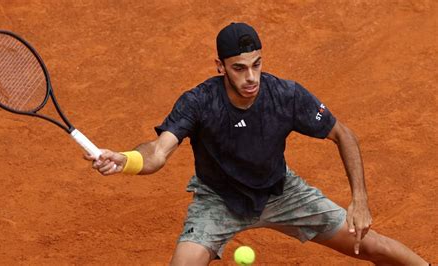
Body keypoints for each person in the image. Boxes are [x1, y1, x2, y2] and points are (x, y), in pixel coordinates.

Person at [85, 22, 429, 265]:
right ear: (220, 67)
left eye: (256, 64)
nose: (251, 77)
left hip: (282, 193)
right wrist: (126, 160)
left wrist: (360, 199)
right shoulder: (199, 102)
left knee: (373, 247)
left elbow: (344, 134)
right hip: (217, 201)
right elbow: (158, 152)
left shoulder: (285, 95)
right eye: (238, 68)